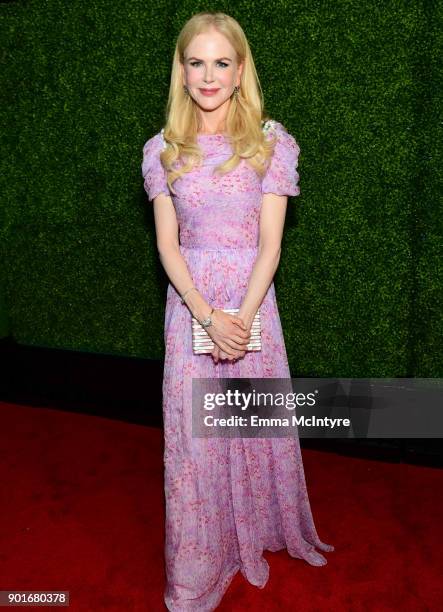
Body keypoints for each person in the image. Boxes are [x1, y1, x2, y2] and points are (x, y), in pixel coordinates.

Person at [141, 11, 334, 611]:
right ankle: (198, 564)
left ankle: (258, 526)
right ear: (180, 68)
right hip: (190, 307)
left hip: (252, 302)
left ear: (240, 68)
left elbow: (271, 245)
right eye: (196, 61)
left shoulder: (272, 143)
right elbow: (168, 246)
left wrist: (242, 319)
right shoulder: (161, 150)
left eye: (221, 62)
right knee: (197, 439)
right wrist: (205, 314)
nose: (208, 74)